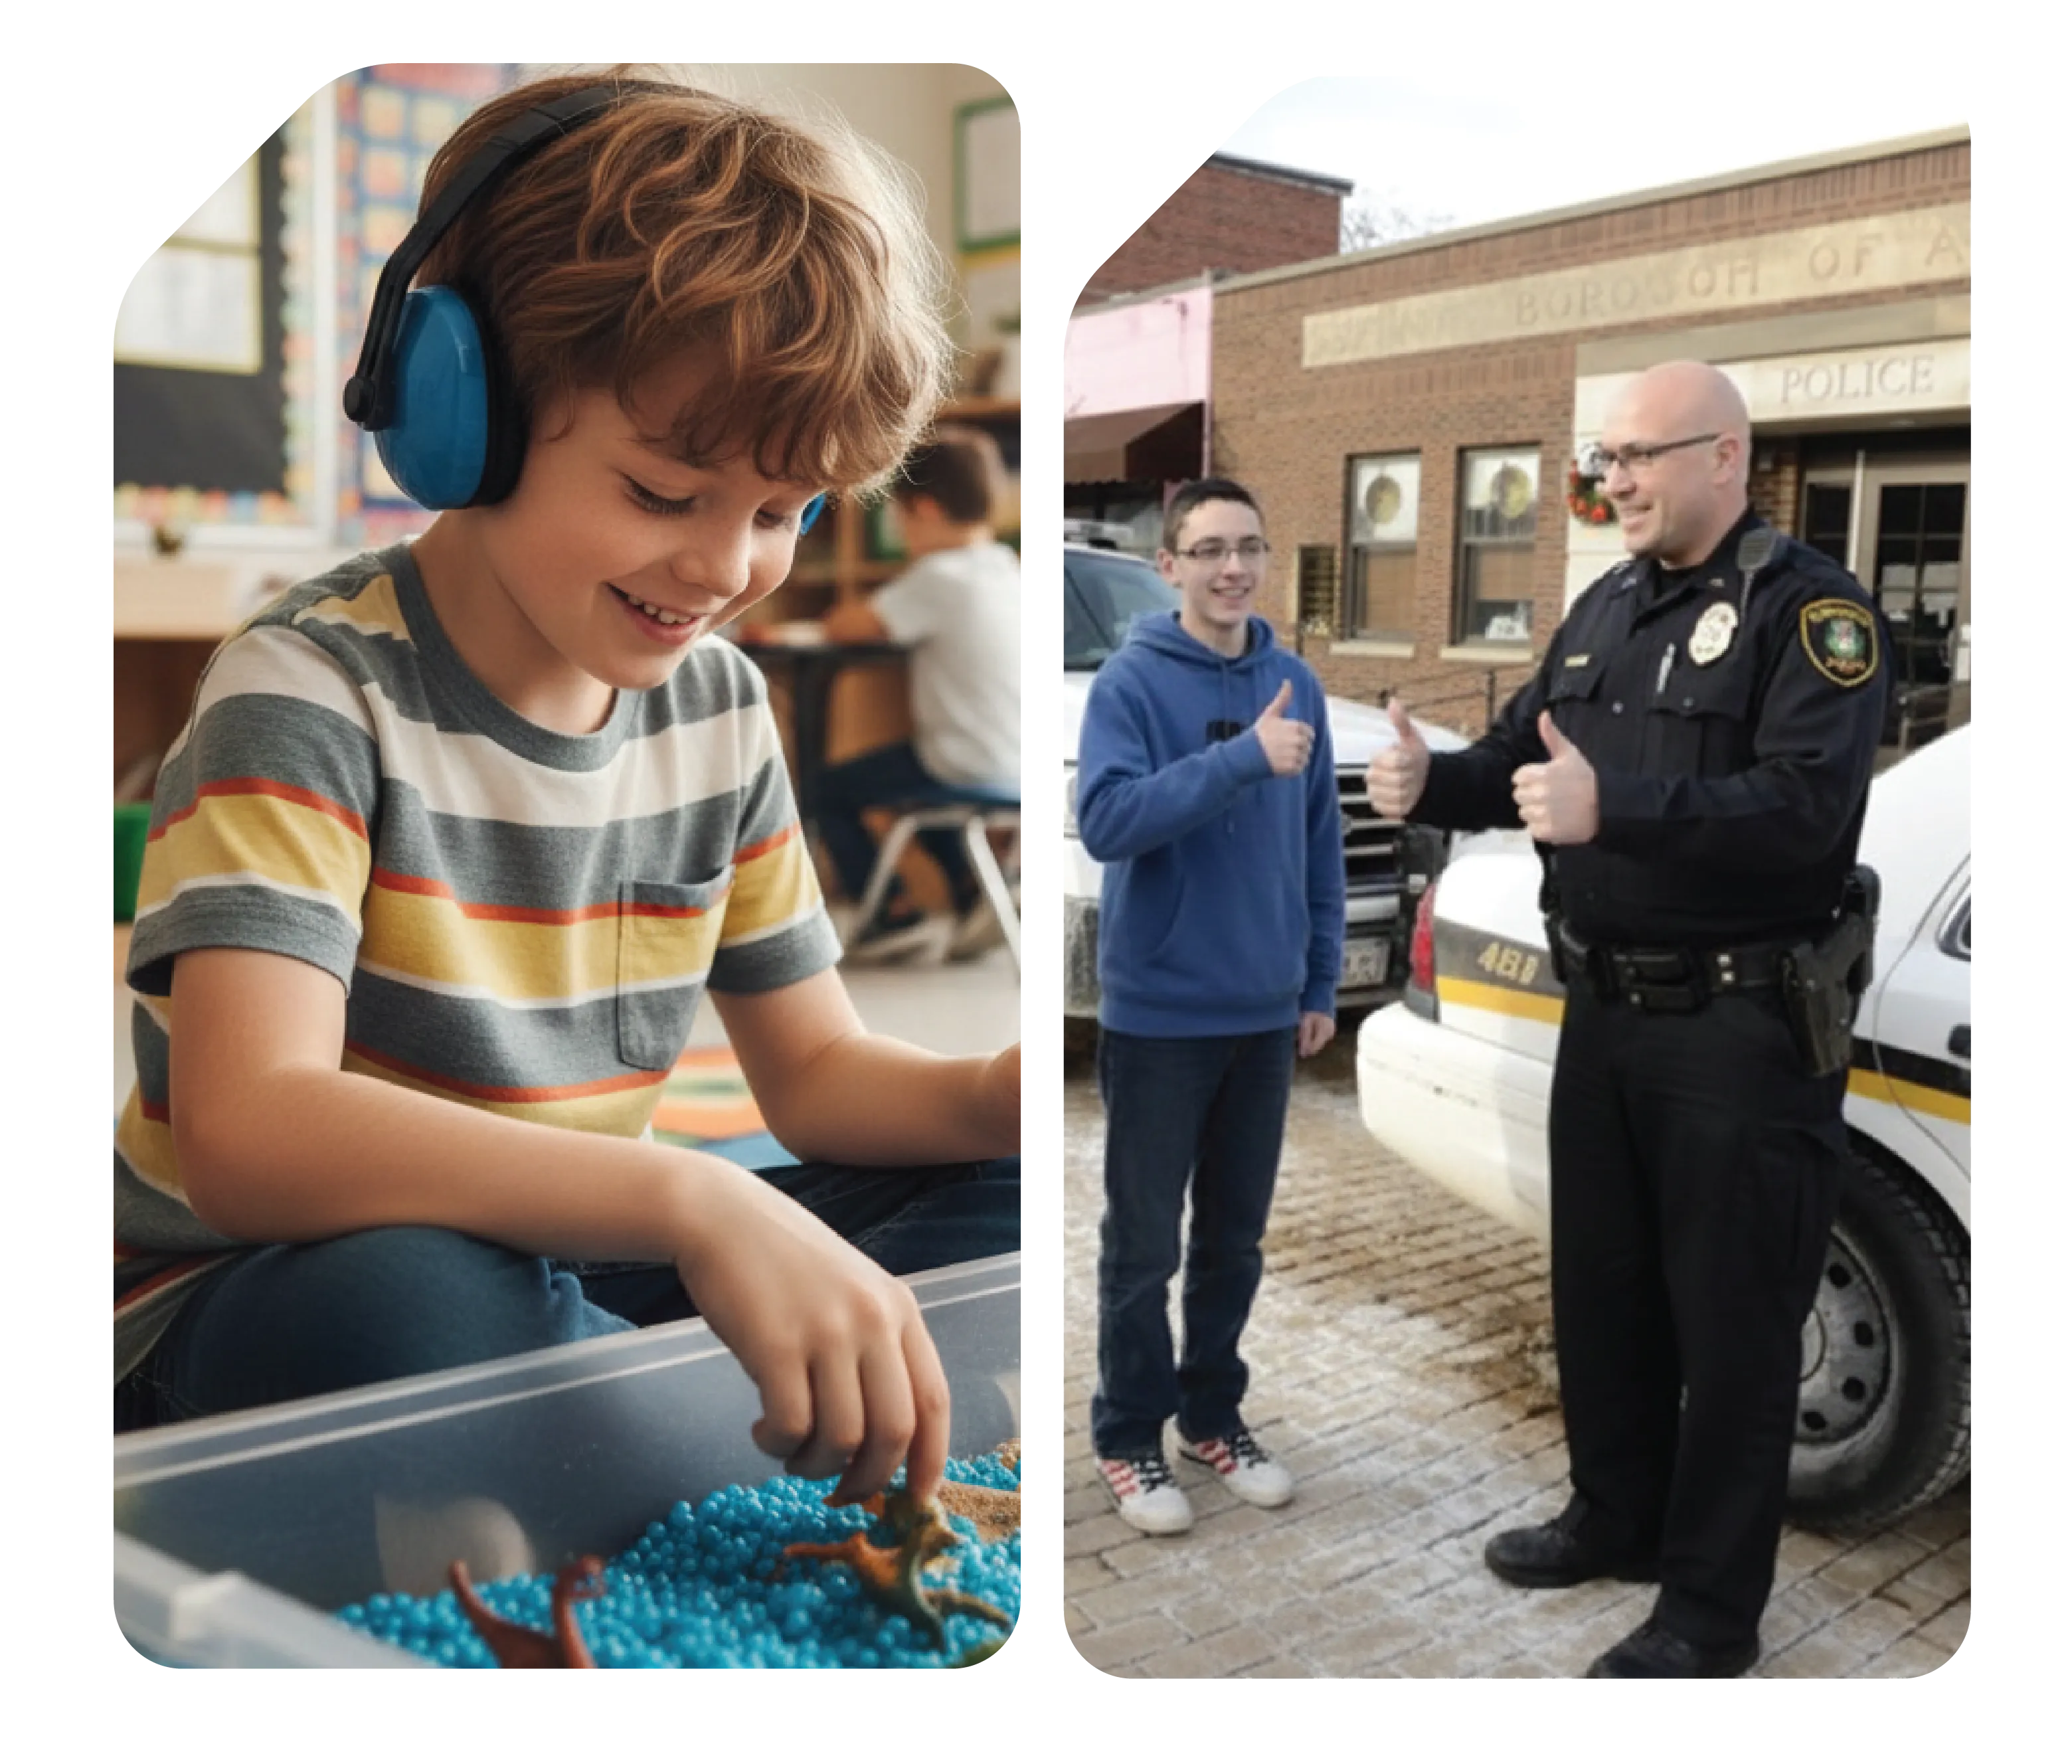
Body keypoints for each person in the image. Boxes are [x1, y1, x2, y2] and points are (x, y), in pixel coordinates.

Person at [111, 71, 1023, 1516]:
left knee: (1003, 1199)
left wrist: (993, 1093)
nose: (728, 569)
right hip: (275, 1285)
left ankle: (655, 1432)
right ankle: (727, 1444)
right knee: (414, 1307)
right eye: (667, 494)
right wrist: (693, 1196)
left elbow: (819, 1077)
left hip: (572, 1249)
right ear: (461, 410)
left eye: (783, 514)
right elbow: (247, 1131)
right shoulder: (310, 689)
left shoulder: (719, 710)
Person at [1367, 361, 1889, 1676]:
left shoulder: (1812, 613)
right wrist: (1437, 776)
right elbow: (1528, 763)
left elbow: (1807, 812)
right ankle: (1616, 1516)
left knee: (1732, 1325)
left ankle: (1711, 1611)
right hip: (1602, 1011)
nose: (1613, 483)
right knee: (1602, 1291)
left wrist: (1627, 812)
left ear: (1727, 456)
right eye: (1603, 460)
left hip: (1741, 1030)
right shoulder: (1605, 603)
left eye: (1639, 457)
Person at [1076, 477, 1345, 1534]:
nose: (1232, 566)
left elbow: (1317, 843)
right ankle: (1127, 1436)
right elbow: (1107, 821)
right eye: (1209, 549)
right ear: (1170, 567)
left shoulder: (1299, 684)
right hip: (1160, 1020)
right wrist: (1238, 759)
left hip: (1264, 1015)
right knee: (1143, 1247)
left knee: (1235, 1241)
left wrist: (1317, 980)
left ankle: (1212, 1417)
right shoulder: (1131, 686)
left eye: (1250, 546)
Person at [816, 426, 1025, 962]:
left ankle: (889, 912)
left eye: (900, 517)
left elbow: (848, 626)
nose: (902, 530)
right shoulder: (1010, 571)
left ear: (925, 510)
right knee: (914, 784)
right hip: (1018, 764)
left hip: (965, 764)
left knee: (832, 788)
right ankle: (976, 891)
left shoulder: (940, 577)